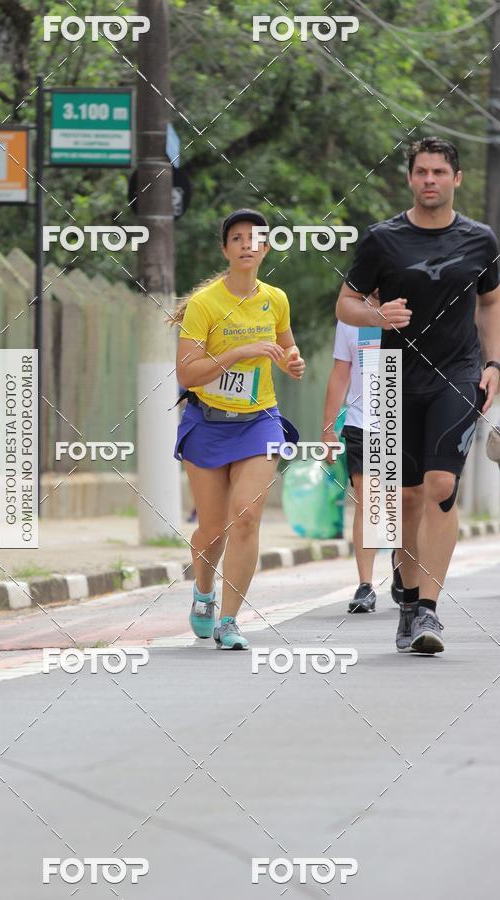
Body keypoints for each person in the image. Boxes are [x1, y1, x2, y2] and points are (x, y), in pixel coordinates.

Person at [337, 136, 500, 654]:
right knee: (400, 499)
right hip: (391, 375)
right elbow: (346, 303)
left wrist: (494, 363)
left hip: (456, 373)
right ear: (410, 179)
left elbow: (491, 303)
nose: (430, 180)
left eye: (439, 172)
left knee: (439, 486)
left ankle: (427, 609)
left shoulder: (480, 240)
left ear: (457, 180)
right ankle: (407, 597)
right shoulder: (382, 240)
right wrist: (374, 315)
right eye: (421, 172)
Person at [171, 209, 305, 650]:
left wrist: (292, 361)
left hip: (259, 420)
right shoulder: (205, 304)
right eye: (238, 238)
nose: (248, 244)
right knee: (212, 529)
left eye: (257, 239)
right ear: (225, 248)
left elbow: (286, 346)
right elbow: (188, 374)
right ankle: (204, 593)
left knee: (245, 516)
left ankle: (230, 620)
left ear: (267, 248)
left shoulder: (277, 299)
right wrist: (240, 351)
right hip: (208, 422)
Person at [321, 320, 395, 613]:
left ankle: (404, 574)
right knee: (368, 499)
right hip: (360, 423)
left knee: (399, 501)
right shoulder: (352, 318)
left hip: (403, 419)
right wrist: (328, 429)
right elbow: (340, 373)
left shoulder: (414, 304)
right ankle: (366, 585)